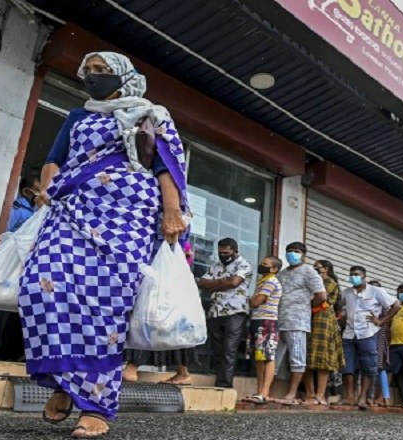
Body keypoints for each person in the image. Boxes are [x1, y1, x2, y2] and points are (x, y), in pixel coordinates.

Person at [20, 52, 189, 438]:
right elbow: (54, 160)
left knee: (104, 307)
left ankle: (94, 404)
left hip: (127, 217)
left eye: (102, 71)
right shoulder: (79, 116)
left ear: (125, 76)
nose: (92, 77)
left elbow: (166, 164)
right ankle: (63, 381)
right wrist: (48, 188)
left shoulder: (151, 113)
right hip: (72, 210)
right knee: (40, 286)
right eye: (89, 71)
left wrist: (172, 211)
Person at [0, 175, 42, 362]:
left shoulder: (39, 212)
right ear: (27, 191)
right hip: (8, 270)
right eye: (39, 186)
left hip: (26, 271)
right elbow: (2, 234)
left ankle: (10, 354)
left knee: (17, 314)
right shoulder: (18, 210)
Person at [123, 241, 198, 385]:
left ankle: (132, 368)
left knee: (150, 325)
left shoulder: (166, 238)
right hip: (169, 292)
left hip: (163, 291)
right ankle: (183, 373)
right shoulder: (176, 241)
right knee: (173, 331)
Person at [337, 267, 400, 408]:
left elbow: (396, 305)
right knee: (347, 365)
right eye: (351, 274)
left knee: (368, 365)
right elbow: (339, 307)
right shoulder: (346, 292)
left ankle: (363, 397)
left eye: (356, 275)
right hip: (349, 333)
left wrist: (381, 321)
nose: (353, 277)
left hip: (368, 333)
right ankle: (350, 396)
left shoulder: (376, 291)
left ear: (364, 276)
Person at [274, 242, 327, 405]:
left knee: (297, 358)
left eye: (296, 251)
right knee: (273, 357)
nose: (292, 254)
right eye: (289, 251)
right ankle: (268, 391)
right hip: (277, 319)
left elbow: (322, 296)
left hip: (297, 320)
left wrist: (307, 307)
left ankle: (291, 393)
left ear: (303, 254)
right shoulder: (281, 274)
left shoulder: (309, 272)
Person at [198, 238, 252, 389]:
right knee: (218, 350)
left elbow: (234, 283)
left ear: (235, 251)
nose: (223, 256)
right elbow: (202, 283)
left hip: (235, 311)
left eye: (227, 253)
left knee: (229, 350)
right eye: (221, 253)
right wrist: (223, 281)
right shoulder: (216, 266)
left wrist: (215, 285)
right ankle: (219, 381)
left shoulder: (244, 264)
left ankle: (224, 386)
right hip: (216, 311)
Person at [302, 260, 344, 405]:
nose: (314, 269)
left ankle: (320, 395)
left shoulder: (330, 282)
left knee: (322, 359)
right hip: (307, 319)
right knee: (305, 357)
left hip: (323, 321)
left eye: (317, 267)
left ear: (325, 269)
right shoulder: (310, 281)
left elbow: (320, 299)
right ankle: (309, 394)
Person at [242, 255, 283, 404]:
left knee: (267, 357)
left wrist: (254, 300)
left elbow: (256, 301)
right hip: (258, 321)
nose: (261, 265)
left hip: (267, 321)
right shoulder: (263, 281)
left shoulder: (271, 281)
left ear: (274, 269)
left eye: (265, 264)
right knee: (259, 358)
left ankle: (265, 392)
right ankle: (260, 391)